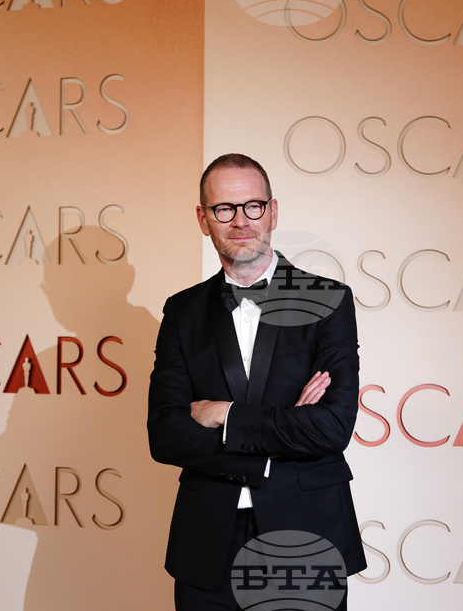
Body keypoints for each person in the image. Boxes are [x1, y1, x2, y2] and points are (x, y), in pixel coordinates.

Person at [147, 153, 366, 609]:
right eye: (224, 209)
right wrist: (280, 432)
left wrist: (223, 415)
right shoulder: (182, 312)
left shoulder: (328, 300)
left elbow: (331, 428)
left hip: (306, 540)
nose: (241, 221)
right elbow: (166, 435)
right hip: (207, 545)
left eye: (253, 206)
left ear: (273, 211)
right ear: (203, 219)